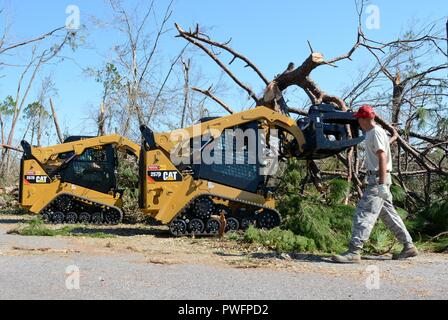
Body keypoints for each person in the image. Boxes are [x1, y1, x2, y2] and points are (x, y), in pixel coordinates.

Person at [332, 105, 418, 263]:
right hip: (378, 178)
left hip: (378, 179)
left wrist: (381, 183)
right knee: (388, 215)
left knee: (363, 213)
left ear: (365, 119)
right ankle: (408, 246)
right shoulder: (372, 133)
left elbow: (382, 156)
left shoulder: (375, 132)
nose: (357, 121)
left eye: (359, 118)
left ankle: (354, 252)